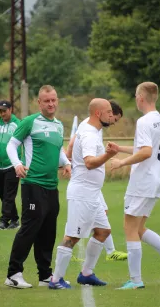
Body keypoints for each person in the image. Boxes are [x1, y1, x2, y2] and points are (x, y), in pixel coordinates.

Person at [109, 82, 160, 290]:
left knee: (129, 228)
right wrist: (120, 149)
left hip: (143, 182)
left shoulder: (144, 122)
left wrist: (120, 162)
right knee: (139, 229)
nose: (136, 99)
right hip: (156, 181)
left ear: (141, 98)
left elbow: (145, 152)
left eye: (136, 95)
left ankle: (135, 281)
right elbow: (147, 149)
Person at [4, 85, 71, 289]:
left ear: (57, 100)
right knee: (30, 228)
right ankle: (13, 274)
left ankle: (45, 275)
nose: (51, 104)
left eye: (53, 100)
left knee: (48, 231)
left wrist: (66, 163)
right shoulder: (30, 122)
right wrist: (17, 164)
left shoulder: (59, 125)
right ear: (39, 103)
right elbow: (11, 145)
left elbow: (58, 151)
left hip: (52, 186)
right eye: (46, 101)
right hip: (33, 184)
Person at [49, 98, 118, 289]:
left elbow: (72, 144)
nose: (111, 116)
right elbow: (89, 162)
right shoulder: (89, 133)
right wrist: (108, 155)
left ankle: (86, 273)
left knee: (103, 231)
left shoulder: (90, 126)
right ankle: (56, 280)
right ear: (98, 113)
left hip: (92, 193)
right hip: (82, 193)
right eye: (109, 112)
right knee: (72, 237)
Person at [66, 100, 127, 262]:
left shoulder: (96, 127)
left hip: (91, 185)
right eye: (115, 118)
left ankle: (108, 253)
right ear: (106, 113)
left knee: (102, 220)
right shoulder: (90, 129)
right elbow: (78, 149)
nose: (114, 122)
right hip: (84, 185)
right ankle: (64, 257)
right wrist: (69, 160)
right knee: (75, 231)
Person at [0, 100, 21, 230]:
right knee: (3, 195)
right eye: (0, 111)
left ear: (10, 110)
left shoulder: (18, 125)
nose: (2, 113)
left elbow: (25, 143)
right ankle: (15, 220)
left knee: (8, 195)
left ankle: (4, 221)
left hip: (12, 166)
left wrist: (20, 162)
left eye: (4, 111)